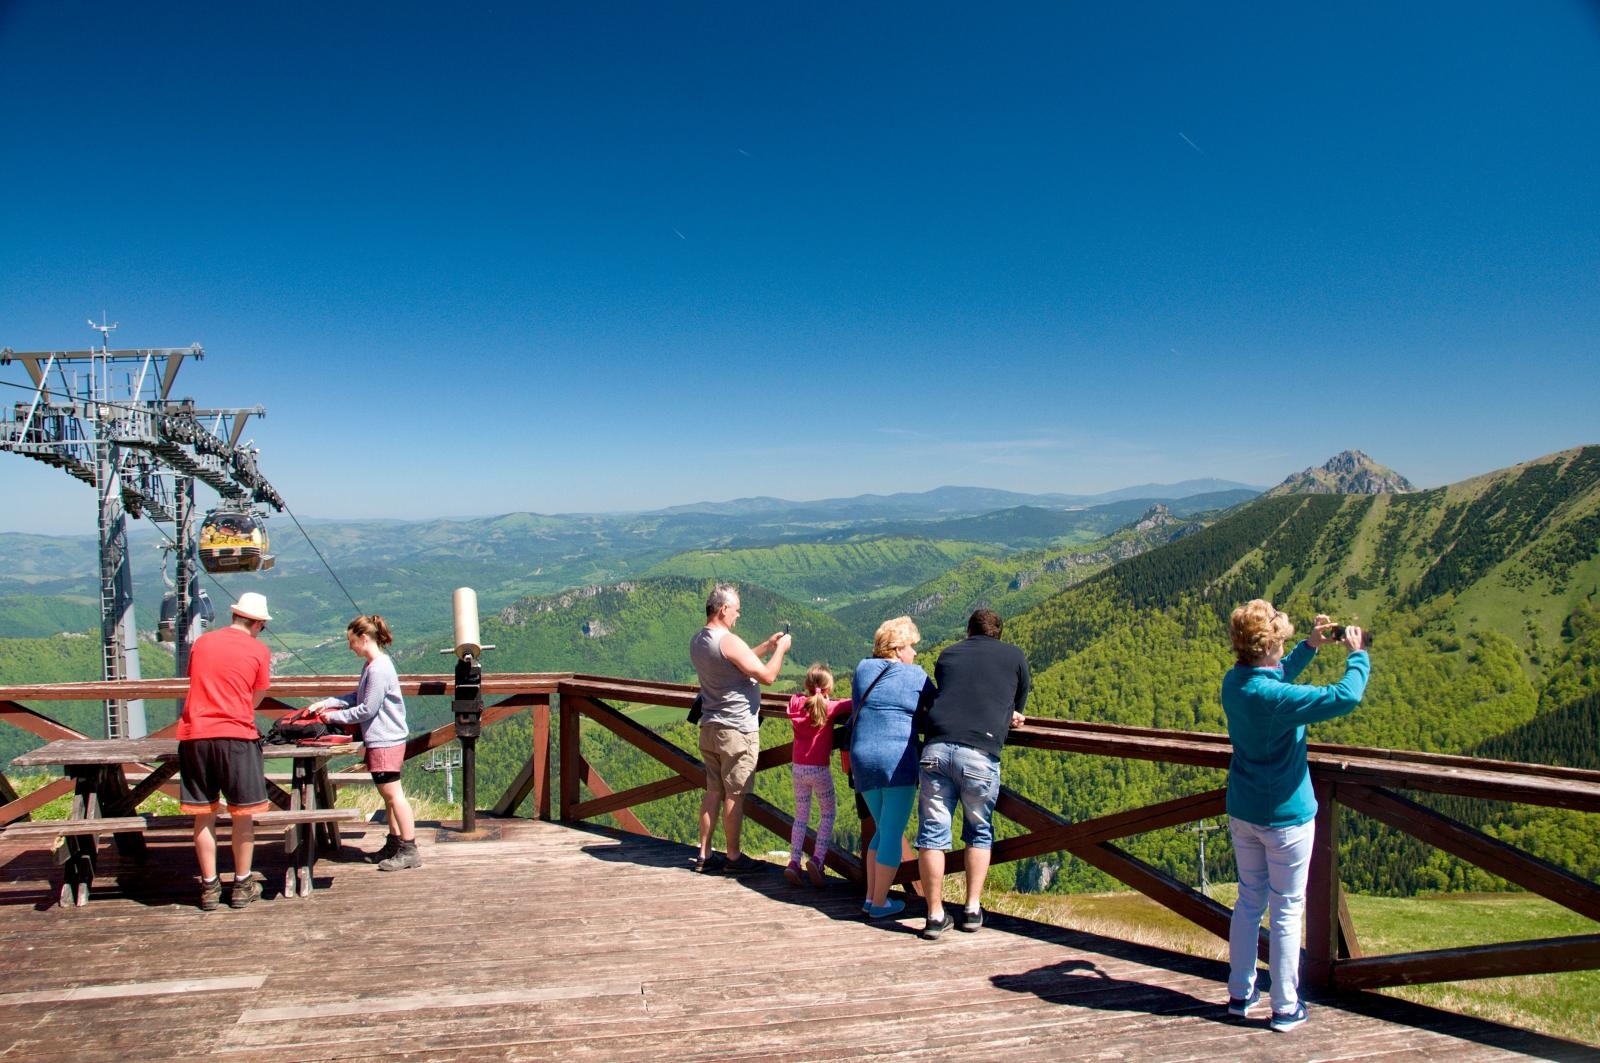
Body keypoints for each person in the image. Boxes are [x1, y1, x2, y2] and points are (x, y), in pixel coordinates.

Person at [1222, 600, 1369, 1032]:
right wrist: (1357, 655)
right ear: (1268, 646)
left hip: (1243, 809)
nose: (1283, 649)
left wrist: (1308, 646)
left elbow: (1275, 676)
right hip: (1286, 816)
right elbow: (1345, 697)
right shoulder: (1274, 698)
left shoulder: (1236, 682)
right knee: (1286, 909)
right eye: (1281, 643)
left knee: (1249, 901)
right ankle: (1285, 1006)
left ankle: (1240, 992)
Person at [915, 608, 1030, 940]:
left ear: (969, 631)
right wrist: (1011, 715)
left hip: (935, 748)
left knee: (932, 835)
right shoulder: (1014, 656)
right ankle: (972, 909)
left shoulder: (948, 654)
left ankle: (935, 915)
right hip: (980, 752)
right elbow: (1018, 701)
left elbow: (948, 691)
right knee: (978, 832)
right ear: (999, 633)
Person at [177, 591, 273, 910]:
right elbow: (255, 697)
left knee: (203, 816)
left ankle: (208, 888)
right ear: (257, 623)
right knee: (242, 815)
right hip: (237, 735)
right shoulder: (259, 651)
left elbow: (197, 679)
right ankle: (242, 885)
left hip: (196, 735)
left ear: (235, 616)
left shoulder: (202, 643)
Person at [689, 583, 791, 873]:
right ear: (723, 609)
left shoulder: (698, 640)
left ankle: (704, 854)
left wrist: (766, 646)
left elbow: (736, 663)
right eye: (736, 610)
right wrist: (780, 650)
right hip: (736, 731)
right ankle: (733, 857)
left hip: (710, 726)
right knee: (735, 794)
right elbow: (768, 676)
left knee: (712, 792)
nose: (738, 616)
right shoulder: (728, 640)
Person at [306, 614, 420, 872]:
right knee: (389, 796)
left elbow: (367, 708)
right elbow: (359, 696)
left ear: (364, 638)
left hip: (384, 740)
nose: (350, 647)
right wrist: (329, 702)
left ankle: (409, 848)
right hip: (387, 738)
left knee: (394, 796)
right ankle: (395, 844)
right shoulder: (375, 665)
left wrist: (333, 716)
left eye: (352, 642)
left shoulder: (378, 668)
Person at [848, 615, 935, 920]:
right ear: (898, 649)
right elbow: (937, 707)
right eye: (911, 647)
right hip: (896, 759)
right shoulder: (915, 676)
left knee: (881, 829)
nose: (915, 654)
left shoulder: (862, 669)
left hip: (863, 757)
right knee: (893, 831)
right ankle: (880, 902)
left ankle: (872, 898)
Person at [784, 663, 852, 887]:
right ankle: (817, 859)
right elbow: (851, 704)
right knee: (827, 814)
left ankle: (794, 862)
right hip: (819, 770)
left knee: (800, 816)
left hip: (798, 769)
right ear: (828, 688)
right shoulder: (830, 707)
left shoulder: (795, 703)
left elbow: (795, 698)